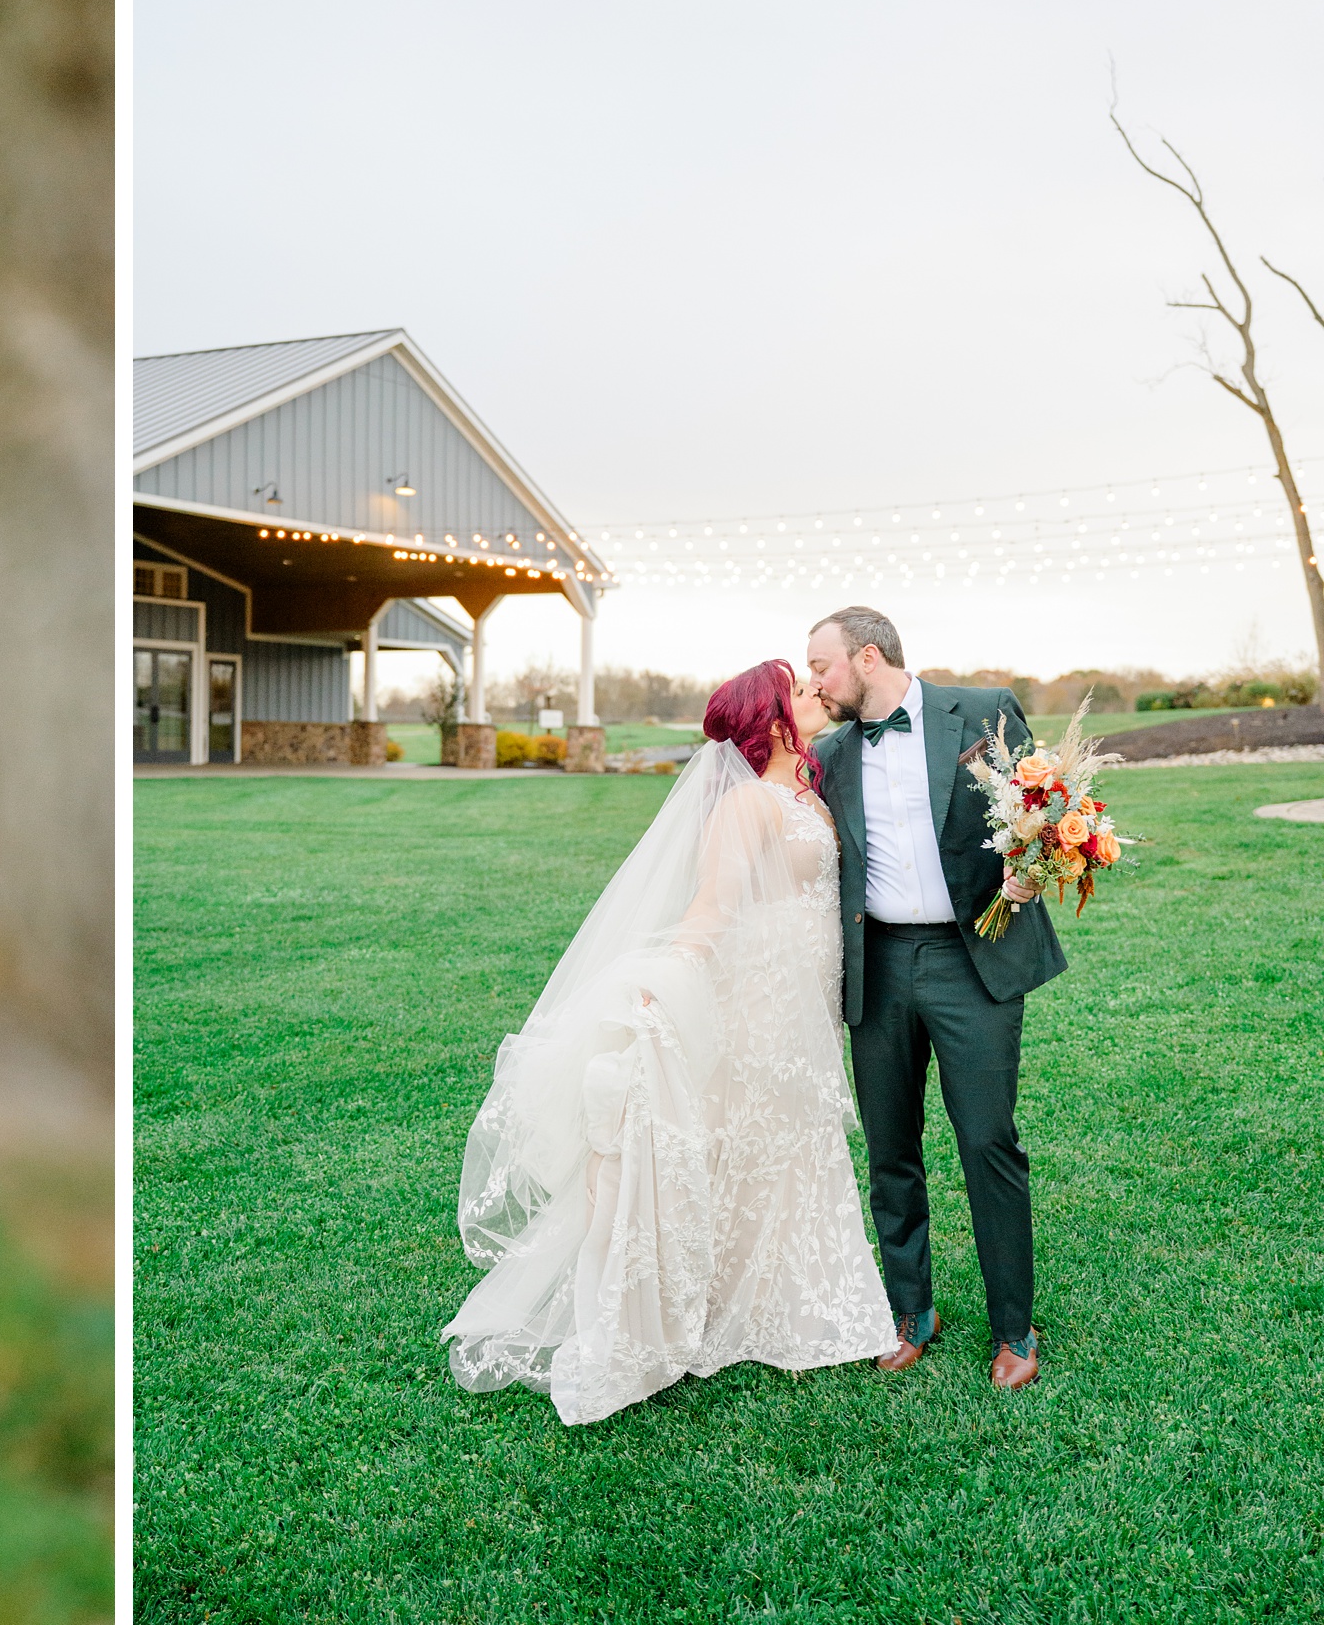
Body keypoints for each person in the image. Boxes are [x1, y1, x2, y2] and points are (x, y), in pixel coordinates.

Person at [443, 660, 896, 1424]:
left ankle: (793, 1299)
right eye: (802, 690)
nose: (818, 695)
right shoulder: (748, 805)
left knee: (790, 1136)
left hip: (804, 1000)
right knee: (747, 1135)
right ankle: (715, 1303)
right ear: (773, 719)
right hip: (756, 1000)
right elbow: (712, 908)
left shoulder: (808, 795)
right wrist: (658, 987)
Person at [805, 605, 1060, 1391]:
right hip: (876, 963)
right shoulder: (832, 753)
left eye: (822, 665)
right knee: (890, 1148)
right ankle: (912, 1311)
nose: (814, 680)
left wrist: (1033, 868)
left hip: (970, 956)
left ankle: (1014, 1328)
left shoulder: (983, 711)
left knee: (988, 1139)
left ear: (869, 658)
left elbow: (1046, 808)